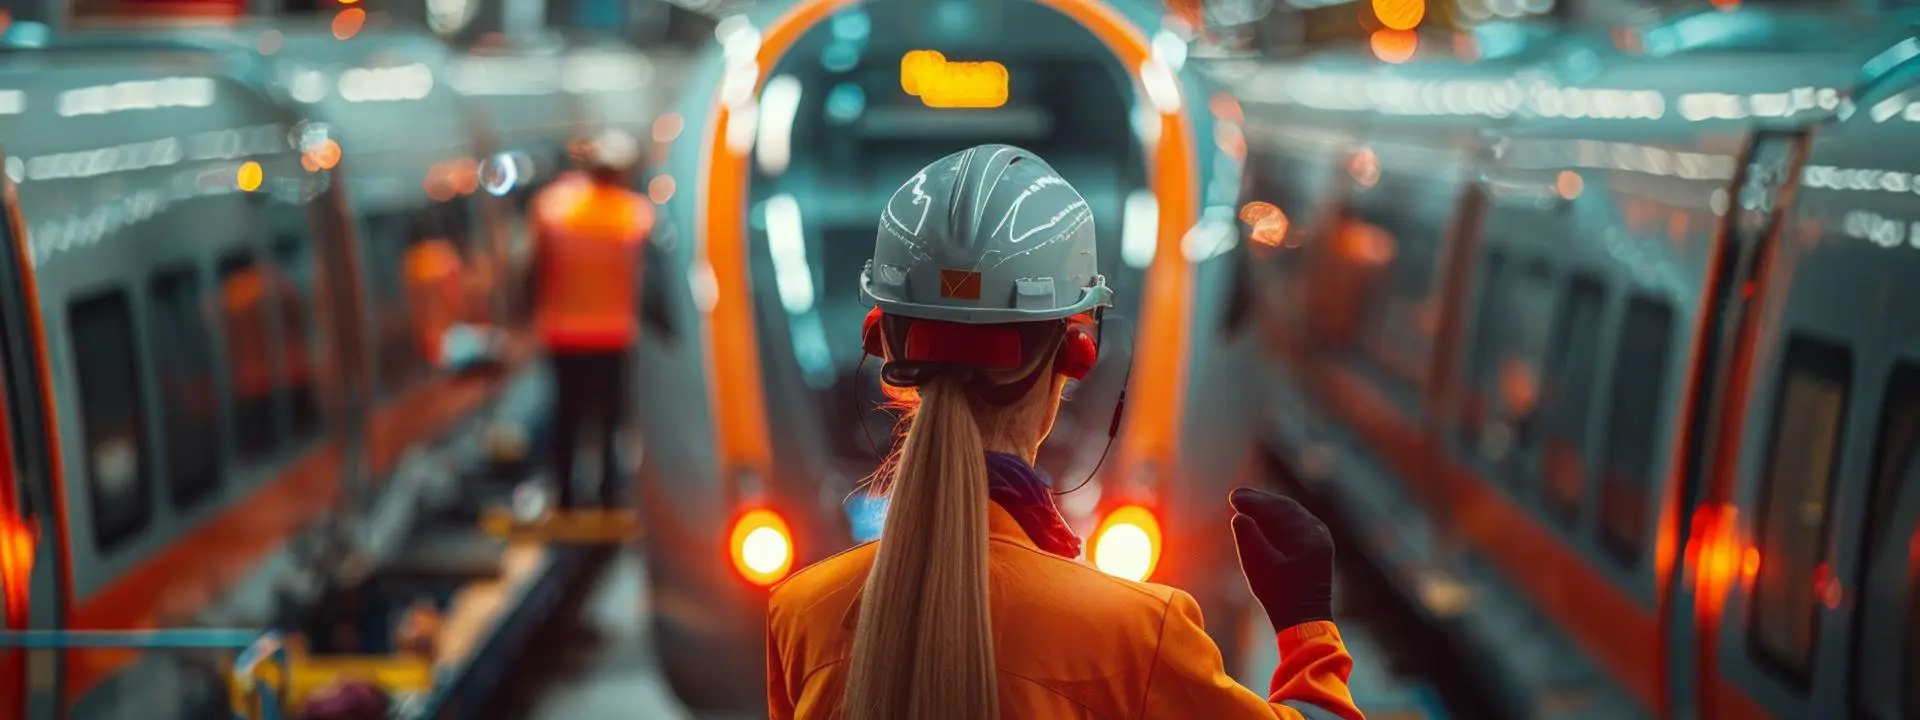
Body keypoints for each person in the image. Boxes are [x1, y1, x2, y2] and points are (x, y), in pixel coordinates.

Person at [765, 145, 1365, 719]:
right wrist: (1304, 622)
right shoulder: (1139, 635)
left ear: (884, 341)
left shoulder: (801, 616)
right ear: (1077, 353)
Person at [528, 129, 652, 510]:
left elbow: (533, 271)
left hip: (564, 332)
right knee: (610, 416)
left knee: (567, 413)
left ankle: (565, 494)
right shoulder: (636, 215)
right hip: (614, 334)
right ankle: (607, 492)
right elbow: (649, 282)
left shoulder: (553, 207)